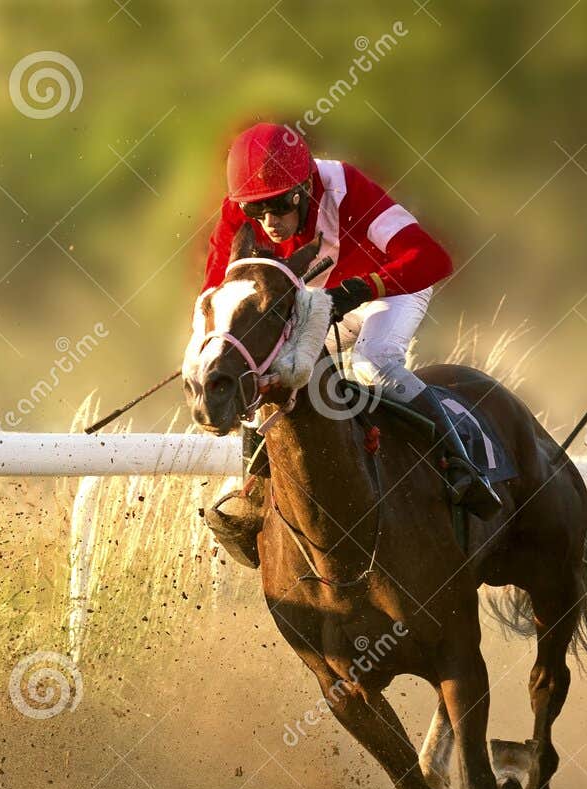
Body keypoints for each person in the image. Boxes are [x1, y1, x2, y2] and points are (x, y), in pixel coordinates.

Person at [201, 123, 497, 567]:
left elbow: (432, 258)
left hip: (388, 288)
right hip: (317, 302)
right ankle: (253, 498)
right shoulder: (238, 212)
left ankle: (462, 465)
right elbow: (212, 292)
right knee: (258, 365)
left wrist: (359, 289)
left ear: (304, 187)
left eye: (280, 206)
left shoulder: (345, 186)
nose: (269, 223)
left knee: (371, 364)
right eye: (255, 210)